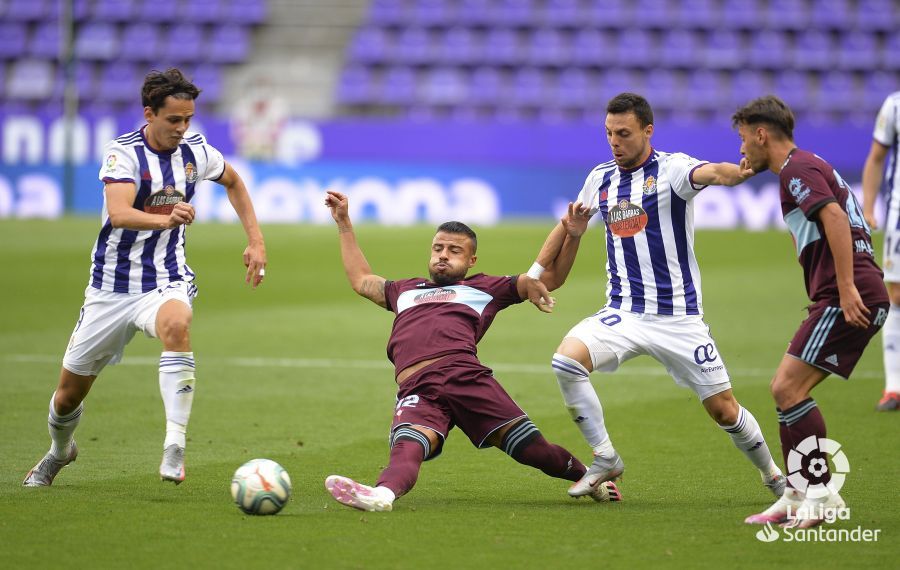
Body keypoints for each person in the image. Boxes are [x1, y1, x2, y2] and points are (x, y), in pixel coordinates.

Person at [523, 93, 785, 506]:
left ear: (647, 130)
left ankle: (774, 478)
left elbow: (712, 173)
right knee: (566, 361)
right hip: (623, 312)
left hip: (678, 318)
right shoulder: (600, 177)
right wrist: (534, 274)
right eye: (609, 133)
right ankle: (605, 457)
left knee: (724, 410)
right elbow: (570, 222)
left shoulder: (673, 169)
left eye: (623, 133)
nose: (614, 141)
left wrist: (738, 173)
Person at [23, 68, 267, 487]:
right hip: (111, 288)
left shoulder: (195, 152)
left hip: (165, 279)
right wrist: (165, 217)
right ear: (149, 114)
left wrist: (256, 240)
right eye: (174, 119)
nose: (182, 128)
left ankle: (174, 444)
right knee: (67, 398)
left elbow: (234, 181)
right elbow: (118, 212)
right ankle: (60, 451)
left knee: (177, 323)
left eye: (188, 119)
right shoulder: (123, 154)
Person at [321, 190, 620, 512]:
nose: (443, 255)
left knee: (533, 451)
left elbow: (550, 278)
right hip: (417, 387)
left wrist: (572, 236)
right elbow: (362, 279)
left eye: (454, 250)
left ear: (471, 260)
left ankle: (594, 479)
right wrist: (343, 222)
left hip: (464, 378)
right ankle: (381, 495)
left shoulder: (485, 288)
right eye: (438, 248)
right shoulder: (403, 290)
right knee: (407, 446)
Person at [733, 96, 889, 528]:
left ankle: (819, 496)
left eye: (744, 139)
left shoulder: (796, 171)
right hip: (845, 293)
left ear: (762, 133)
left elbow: (836, 219)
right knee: (786, 390)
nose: (742, 149)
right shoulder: (808, 165)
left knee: (787, 388)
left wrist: (844, 288)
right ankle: (798, 494)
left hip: (848, 295)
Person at [862, 90, 900, 412]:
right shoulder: (895, 105)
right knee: (897, 295)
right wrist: (869, 207)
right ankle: (894, 387)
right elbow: (877, 157)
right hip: (899, 214)